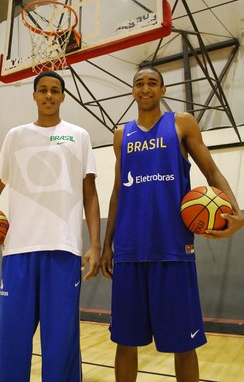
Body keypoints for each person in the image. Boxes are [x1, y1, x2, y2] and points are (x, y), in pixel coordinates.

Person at [0, 70, 101, 382]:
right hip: (18, 251)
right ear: (34, 95)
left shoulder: (78, 136)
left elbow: (90, 192)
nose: (49, 95)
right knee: (13, 339)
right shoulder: (16, 136)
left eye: (55, 90)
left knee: (61, 341)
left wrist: (95, 244)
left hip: (63, 250)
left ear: (63, 96)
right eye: (43, 90)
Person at [101, 66, 244, 382]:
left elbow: (213, 173)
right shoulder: (121, 135)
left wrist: (239, 213)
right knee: (125, 341)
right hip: (129, 250)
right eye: (139, 83)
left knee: (184, 343)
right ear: (133, 91)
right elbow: (116, 193)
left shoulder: (181, 123)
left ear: (163, 90)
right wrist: (107, 245)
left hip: (173, 248)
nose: (146, 88)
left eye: (153, 83)